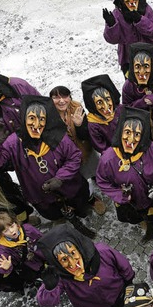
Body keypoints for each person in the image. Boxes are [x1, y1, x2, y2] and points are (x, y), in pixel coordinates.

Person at [0, 95, 95, 237]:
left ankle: (80, 214)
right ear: (24, 119)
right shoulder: (14, 142)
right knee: (52, 212)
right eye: (32, 118)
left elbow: (74, 157)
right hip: (40, 195)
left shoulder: (59, 137)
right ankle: (60, 219)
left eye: (41, 119)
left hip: (70, 187)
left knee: (80, 205)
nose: (36, 124)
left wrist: (60, 178)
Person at [96, 107, 153, 242]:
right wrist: (120, 195)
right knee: (137, 216)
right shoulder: (108, 159)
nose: (131, 139)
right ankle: (144, 223)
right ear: (120, 132)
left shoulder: (152, 148)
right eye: (127, 132)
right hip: (131, 201)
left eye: (137, 134)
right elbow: (102, 181)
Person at [36, 224, 134, 307]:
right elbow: (45, 301)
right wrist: (49, 288)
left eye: (73, 253)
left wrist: (129, 284)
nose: (73, 263)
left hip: (122, 295)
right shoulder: (60, 277)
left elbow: (124, 266)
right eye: (64, 259)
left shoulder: (103, 252)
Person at [49, 85, 106, 215]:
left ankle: (99, 180)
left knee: (96, 170)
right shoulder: (47, 115)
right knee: (81, 181)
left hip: (85, 150)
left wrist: (79, 125)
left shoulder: (76, 108)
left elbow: (86, 134)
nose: (61, 101)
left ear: (70, 97)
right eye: (56, 97)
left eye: (64, 96)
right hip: (69, 158)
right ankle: (92, 198)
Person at [103, 0, 153, 75]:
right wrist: (111, 25)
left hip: (150, 55)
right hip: (128, 60)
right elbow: (112, 39)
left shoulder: (146, 9)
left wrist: (139, 20)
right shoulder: (117, 14)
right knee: (133, 87)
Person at [0, 211, 46, 285]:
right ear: (1, 233)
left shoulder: (28, 229)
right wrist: (6, 268)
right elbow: (1, 264)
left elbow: (43, 238)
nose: (11, 231)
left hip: (43, 256)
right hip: (31, 267)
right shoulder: (4, 248)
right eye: (6, 230)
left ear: (16, 223)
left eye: (12, 226)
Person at [81, 74, 123, 154]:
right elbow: (102, 148)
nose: (106, 106)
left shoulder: (121, 110)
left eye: (108, 99)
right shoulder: (93, 125)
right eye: (99, 102)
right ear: (93, 104)